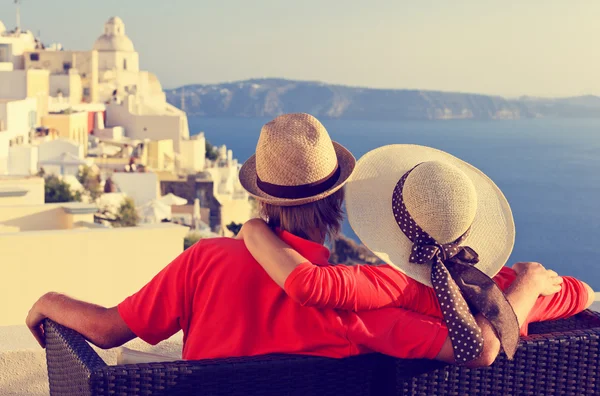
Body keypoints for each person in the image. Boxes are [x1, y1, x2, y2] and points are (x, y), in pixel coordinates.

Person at [25, 114, 587, 368]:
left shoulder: (203, 262)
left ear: (262, 197)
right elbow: (483, 337)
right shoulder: (364, 299)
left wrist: (50, 301)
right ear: (340, 200)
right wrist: (545, 287)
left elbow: (107, 329)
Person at [238, 144, 595, 361]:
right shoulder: (499, 287)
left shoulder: (384, 290)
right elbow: (578, 293)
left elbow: (307, 284)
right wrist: (529, 283)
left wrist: (253, 228)